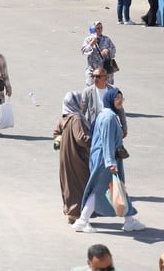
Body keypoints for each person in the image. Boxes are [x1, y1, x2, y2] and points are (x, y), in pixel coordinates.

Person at [73, 89, 146, 233]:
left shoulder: (107, 114)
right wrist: (110, 162)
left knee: (116, 187)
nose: (120, 100)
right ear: (110, 99)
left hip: (104, 157)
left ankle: (129, 219)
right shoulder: (108, 117)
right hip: (105, 159)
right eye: (117, 98)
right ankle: (82, 221)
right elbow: (106, 141)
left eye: (121, 98)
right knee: (102, 189)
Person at [53, 91, 91, 224]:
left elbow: (56, 133)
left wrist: (60, 142)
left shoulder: (64, 117)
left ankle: (72, 213)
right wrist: (96, 141)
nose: (82, 103)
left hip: (65, 155)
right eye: (80, 101)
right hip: (77, 156)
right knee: (81, 183)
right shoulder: (76, 118)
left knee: (69, 183)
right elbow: (81, 139)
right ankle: (77, 213)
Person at [80, 21, 116, 85]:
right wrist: (91, 44)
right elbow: (83, 51)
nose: (100, 30)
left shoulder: (106, 39)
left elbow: (113, 50)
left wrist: (108, 50)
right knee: (91, 89)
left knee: (106, 90)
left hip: (105, 70)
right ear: (93, 29)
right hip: (93, 69)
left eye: (101, 28)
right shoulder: (88, 39)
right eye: (98, 28)